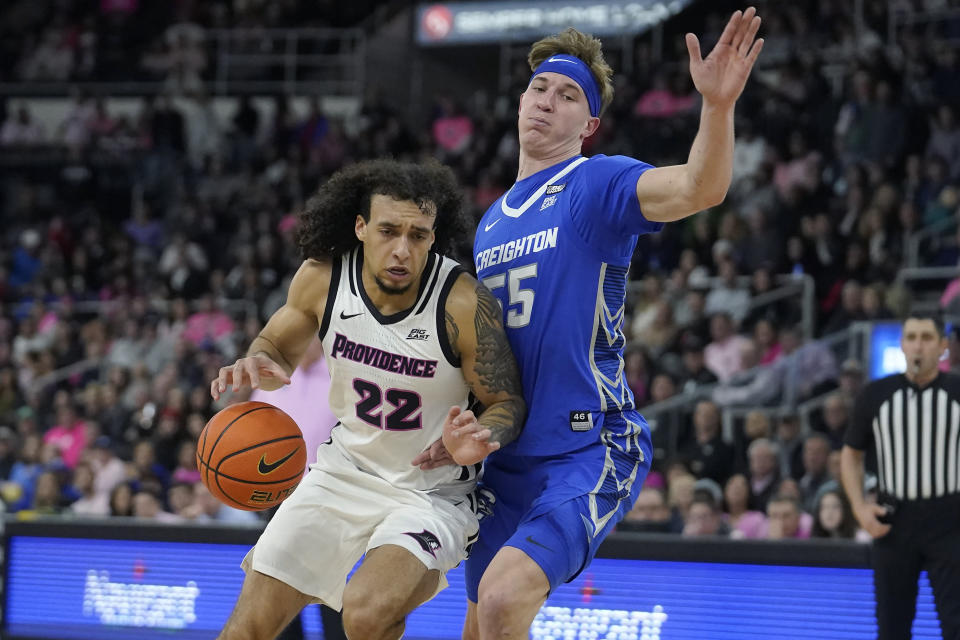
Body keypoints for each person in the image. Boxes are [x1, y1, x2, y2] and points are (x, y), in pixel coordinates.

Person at [414, 11, 764, 637]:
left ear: (590, 124)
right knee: (478, 625)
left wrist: (716, 106)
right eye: (539, 88)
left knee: (500, 600)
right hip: (507, 456)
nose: (548, 101)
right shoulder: (492, 218)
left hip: (587, 444)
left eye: (568, 95)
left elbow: (699, 188)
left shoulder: (594, 181)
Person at [209, 159, 526, 640]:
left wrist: (482, 436)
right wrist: (258, 359)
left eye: (418, 235)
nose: (402, 249)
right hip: (341, 474)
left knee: (365, 614)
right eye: (388, 231)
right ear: (360, 227)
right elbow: (275, 345)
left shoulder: (462, 303)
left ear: (434, 236)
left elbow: (508, 401)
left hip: (430, 493)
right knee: (245, 628)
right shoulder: (322, 278)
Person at [841, 312, 960, 640]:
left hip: (951, 519)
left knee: (956, 623)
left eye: (926, 337)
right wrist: (858, 507)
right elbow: (850, 455)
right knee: (892, 626)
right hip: (894, 519)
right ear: (902, 345)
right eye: (911, 337)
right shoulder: (875, 395)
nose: (917, 345)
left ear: (943, 347)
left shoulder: (957, 392)